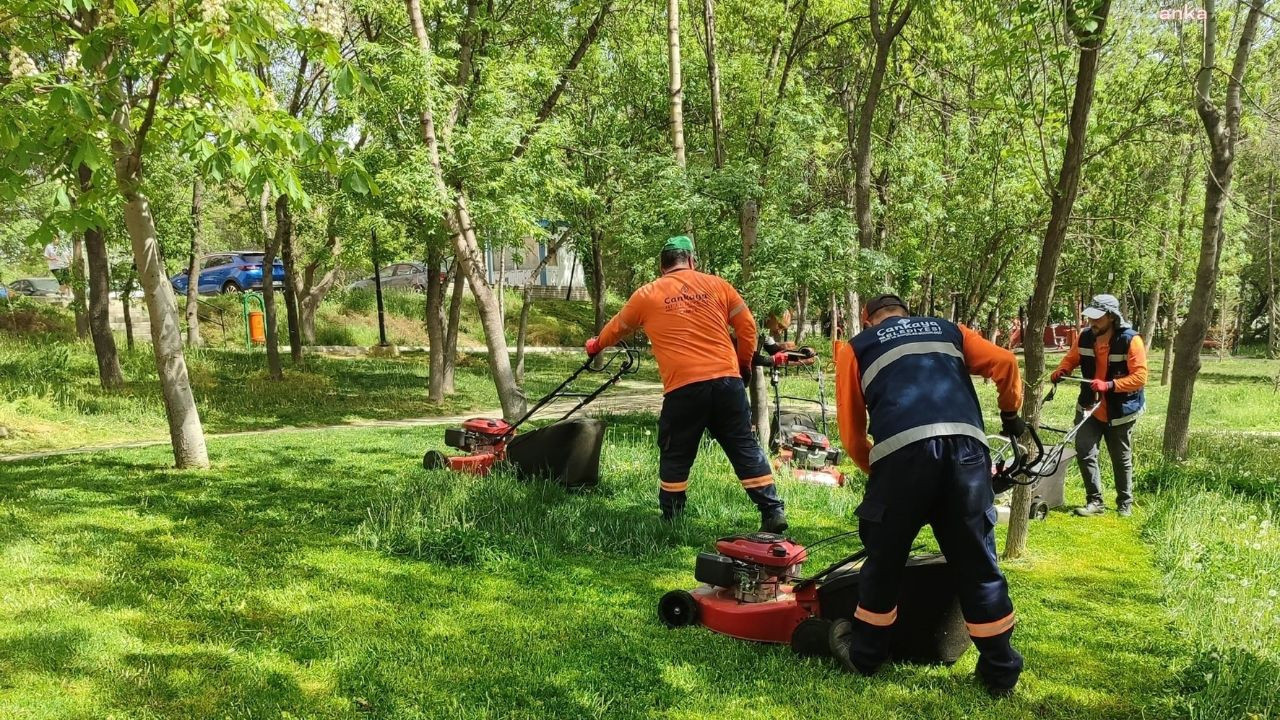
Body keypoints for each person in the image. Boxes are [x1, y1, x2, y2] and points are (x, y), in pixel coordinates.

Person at [829, 293, 1025, 696]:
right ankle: (1000, 672)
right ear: (907, 313)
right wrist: (1010, 415)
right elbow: (1005, 362)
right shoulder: (949, 330)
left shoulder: (858, 347)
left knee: (884, 562)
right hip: (967, 454)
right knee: (978, 563)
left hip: (902, 458)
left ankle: (866, 657)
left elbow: (851, 433)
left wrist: (880, 471)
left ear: (869, 321)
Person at [586, 235, 788, 532]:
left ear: (661, 266)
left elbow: (617, 328)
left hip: (684, 389)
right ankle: (772, 511)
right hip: (726, 383)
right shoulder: (719, 286)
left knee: (675, 451)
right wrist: (743, 366)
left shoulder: (647, 294)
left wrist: (595, 346)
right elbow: (748, 328)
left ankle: (673, 520)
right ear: (692, 260)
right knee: (744, 446)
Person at [1050, 294, 1147, 518]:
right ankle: (1095, 502)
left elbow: (1140, 377)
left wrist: (1110, 385)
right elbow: (1071, 358)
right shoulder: (1084, 337)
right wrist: (1062, 370)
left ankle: (1125, 502)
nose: (1092, 323)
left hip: (1120, 409)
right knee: (1085, 451)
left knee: (1120, 456)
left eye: (1098, 318)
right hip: (1089, 406)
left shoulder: (1131, 340)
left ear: (1112, 317)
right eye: (1090, 318)